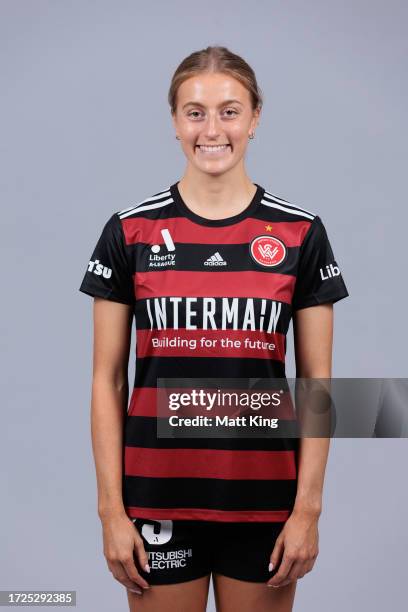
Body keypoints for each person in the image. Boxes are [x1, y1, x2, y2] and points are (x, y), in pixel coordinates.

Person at [79, 46, 349, 612]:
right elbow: (107, 381)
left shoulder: (300, 234)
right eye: (194, 112)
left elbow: (317, 384)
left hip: (266, 503)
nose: (212, 129)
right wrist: (111, 511)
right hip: (157, 500)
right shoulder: (130, 232)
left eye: (229, 111)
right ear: (175, 122)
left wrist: (307, 511)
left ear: (255, 119)